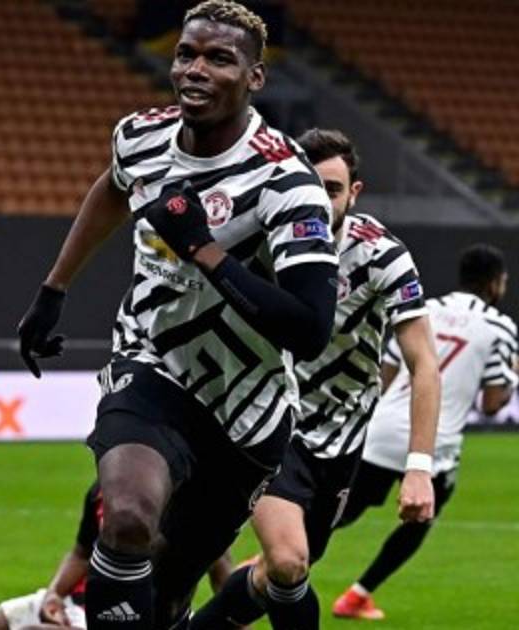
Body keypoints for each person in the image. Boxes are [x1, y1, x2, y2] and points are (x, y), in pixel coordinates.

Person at [15, 2, 339, 627]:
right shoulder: (139, 136)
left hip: (245, 408)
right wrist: (53, 289)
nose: (196, 69)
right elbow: (113, 186)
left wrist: (204, 250)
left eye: (219, 59)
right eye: (186, 54)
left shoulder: (285, 181)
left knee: (166, 594)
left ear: (255, 77)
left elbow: (309, 328)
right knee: (127, 518)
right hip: (151, 363)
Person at [190, 129, 441, 630]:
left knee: (277, 575)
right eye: (311, 187)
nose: (320, 201)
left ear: (354, 193)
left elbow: (425, 364)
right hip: (265, 415)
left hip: (343, 438)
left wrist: (418, 467)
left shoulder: (382, 256)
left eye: (332, 189)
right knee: (288, 560)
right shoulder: (258, 240)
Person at [331, 244, 519, 621]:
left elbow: (387, 373)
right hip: (433, 442)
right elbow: (492, 403)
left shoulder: (425, 308)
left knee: (342, 512)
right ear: (494, 283)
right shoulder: (500, 326)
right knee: (420, 519)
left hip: (382, 430)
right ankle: (356, 597)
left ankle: (273, 558)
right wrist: (516, 374)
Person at [0, 483, 240, 630]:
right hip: (76, 603)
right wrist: (54, 594)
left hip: (139, 616)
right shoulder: (103, 489)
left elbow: (224, 577)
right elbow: (81, 554)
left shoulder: (189, 501)